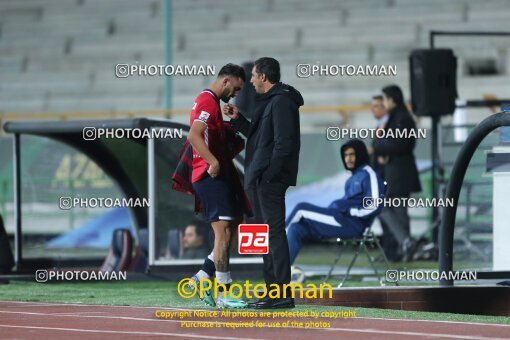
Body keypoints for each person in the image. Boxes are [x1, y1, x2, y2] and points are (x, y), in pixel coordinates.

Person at [223, 57, 303, 309]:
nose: (251, 81)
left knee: (274, 234)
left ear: (264, 77)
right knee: (264, 235)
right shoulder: (270, 101)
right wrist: (239, 120)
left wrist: (269, 174)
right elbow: (261, 139)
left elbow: (284, 144)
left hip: (268, 180)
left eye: (254, 76)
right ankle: (272, 291)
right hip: (260, 177)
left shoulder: (281, 101)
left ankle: (281, 293)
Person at [184, 63, 249, 309]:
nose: (235, 93)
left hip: (213, 176)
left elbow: (208, 133)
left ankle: (202, 277)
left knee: (232, 228)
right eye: (236, 88)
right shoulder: (207, 101)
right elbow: (194, 135)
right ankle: (224, 293)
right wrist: (212, 161)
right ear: (226, 81)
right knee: (223, 234)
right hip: (209, 176)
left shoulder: (209, 102)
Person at [286, 139, 385, 264]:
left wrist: (350, 211)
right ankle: (280, 273)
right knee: (296, 229)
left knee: (301, 208)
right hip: (340, 220)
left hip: (351, 224)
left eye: (352, 155)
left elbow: (375, 205)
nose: (348, 159)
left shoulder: (369, 175)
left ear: (360, 154)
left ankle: (274, 239)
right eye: (345, 155)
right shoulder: (353, 178)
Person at [373, 84, 422, 262]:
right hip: (398, 172)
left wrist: (379, 149)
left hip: (400, 173)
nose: (384, 103)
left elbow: (401, 144)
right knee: (399, 212)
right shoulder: (399, 117)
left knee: (383, 207)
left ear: (392, 99)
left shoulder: (402, 118)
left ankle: (405, 242)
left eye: (385, 99)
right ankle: (406, 248)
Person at [369, 95, 400, 262]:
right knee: (383, 215)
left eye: (377, 106)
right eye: (373, 106)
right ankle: (389, 251)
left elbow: (390, 147)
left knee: (388, 213)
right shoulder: (379, 125)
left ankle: (394, 252)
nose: (374, 109)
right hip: (380, 176)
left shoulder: (389, 125)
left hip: (387, 176)